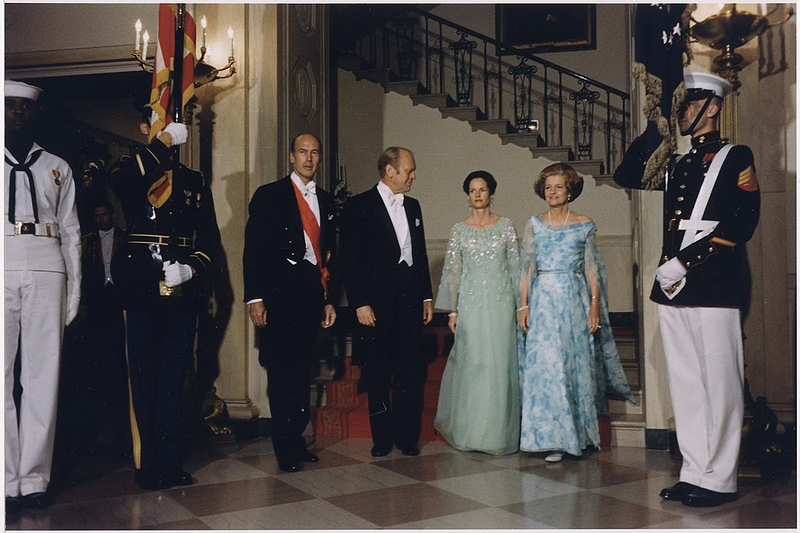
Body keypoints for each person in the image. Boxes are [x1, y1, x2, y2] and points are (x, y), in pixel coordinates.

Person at [614, 72, 760, 507]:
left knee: (720, 383)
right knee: (688, 384)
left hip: (715, 283)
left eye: (688, 104)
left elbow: (743, 221)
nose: (681, 113)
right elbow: (628, 175)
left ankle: (722, 478)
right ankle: (696, 471)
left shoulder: (736, 156)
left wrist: (685, 260)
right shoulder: (676, 161)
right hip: (674, 287)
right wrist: (654, 130)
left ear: (712, 107)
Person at [109, 116, 221, 490]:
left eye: (174, 126)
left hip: (180, 289)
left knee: (175, 376)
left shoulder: (193, 181)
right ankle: (147, 463)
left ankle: (170, 461)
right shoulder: (129, 167)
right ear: (144, 127)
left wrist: (192, 269)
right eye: (158, 124)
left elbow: (209, 238)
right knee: (142, 375)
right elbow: (124, 185)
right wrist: (162, 144)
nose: (169, 131)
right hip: (140, 286)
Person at [518, 163, 633, 463]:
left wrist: (595, 304)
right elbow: (526, 267)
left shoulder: (584, 224)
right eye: (548, 187)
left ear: (570, 189)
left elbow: (592, 268)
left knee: (571, 367)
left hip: (573, 299)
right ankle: (548, 438)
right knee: (547, 368)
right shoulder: (534, 223)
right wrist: (523, 304)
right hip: (542, 300)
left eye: (558, 186)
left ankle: (574, 436)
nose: (552, 192)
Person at [4, 80, 81, 513]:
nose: (17, 113)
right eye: (9, 106)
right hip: (2, 261)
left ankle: (33, 479)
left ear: (34, 115)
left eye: (24, 108)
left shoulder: (57, 166)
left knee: (41, 376)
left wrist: (74, 289)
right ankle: (4, 477)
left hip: (48, 263)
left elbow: (71, 231)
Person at [243, 133, 337, 473]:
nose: (309, 158)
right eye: (303, 152)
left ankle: (296, 439)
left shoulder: (325, 200)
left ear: (320, 159)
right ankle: (283, 445)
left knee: (301, 372)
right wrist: (256, 298)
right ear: (291, 157)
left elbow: (327, 256)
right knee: (281, 372)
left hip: (311, 296)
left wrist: (328, 299)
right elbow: (253, 250)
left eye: (315, 152)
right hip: (279, 297)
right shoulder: (270, 195)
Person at [340, 146, 434, 458]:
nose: (414, 176)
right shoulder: (358, 205)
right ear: (389, 171)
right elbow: (350, 260)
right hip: (375, 305)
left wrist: (426, 296)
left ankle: (407, 438)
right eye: (409, 169)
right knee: (378, 372)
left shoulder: (415, 206)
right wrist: (360, 303)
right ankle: (382, 438)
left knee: (410, 371)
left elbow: (418, 256)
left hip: (409, 302)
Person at [433, 171, 521, 455]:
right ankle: (471, 432)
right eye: (472, 190)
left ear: (492, 194)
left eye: (483, 189)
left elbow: (516, 268)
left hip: (500, 303)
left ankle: (496, 434)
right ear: (467, 195)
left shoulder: (506, 226)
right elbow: (453, 271)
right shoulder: (459, 229)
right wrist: (453, 311)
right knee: (474, 365)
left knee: (498, 364)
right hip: (470, 305)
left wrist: (521, 305)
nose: (478, 194)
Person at [80, 202, 128, 429]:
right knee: (99, 352)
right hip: (98, 301)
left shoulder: (125, 238)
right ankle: (102, 408)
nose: (101, 219)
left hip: (119, 300)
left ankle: (120, 406)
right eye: (97, 216)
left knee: (120, 351)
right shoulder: (88, 241)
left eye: (104, 215)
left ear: (113, 215)